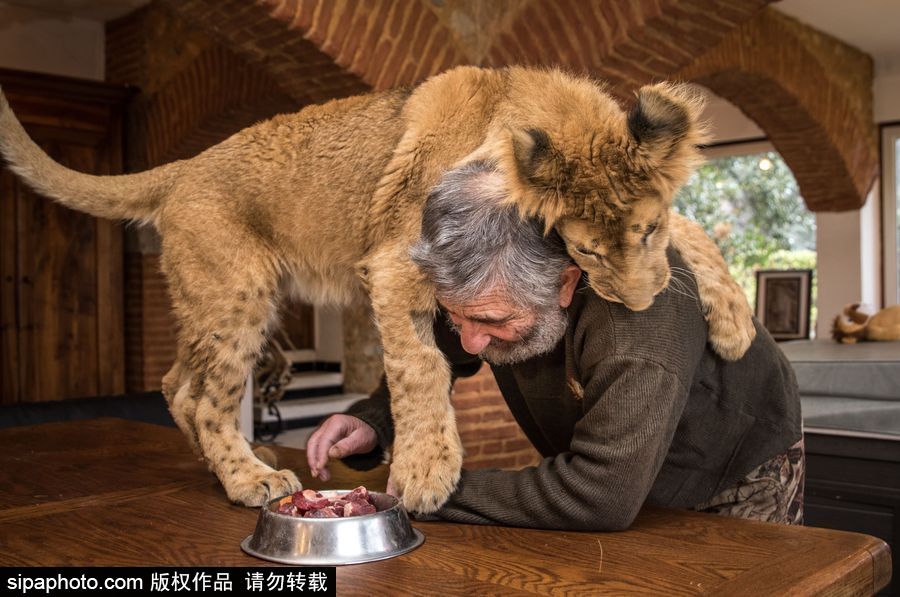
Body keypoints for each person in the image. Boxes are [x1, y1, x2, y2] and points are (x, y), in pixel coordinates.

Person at [306, 161, 803, 531]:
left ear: (566, 282)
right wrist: (374, 420)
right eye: (455, 316)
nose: (470, 342)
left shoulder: (637, 323)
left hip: (728, 464)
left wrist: (426, 491)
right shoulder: (478, 284)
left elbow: (600, 496)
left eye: (491, 320)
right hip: (614, 472)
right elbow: (437, 357)